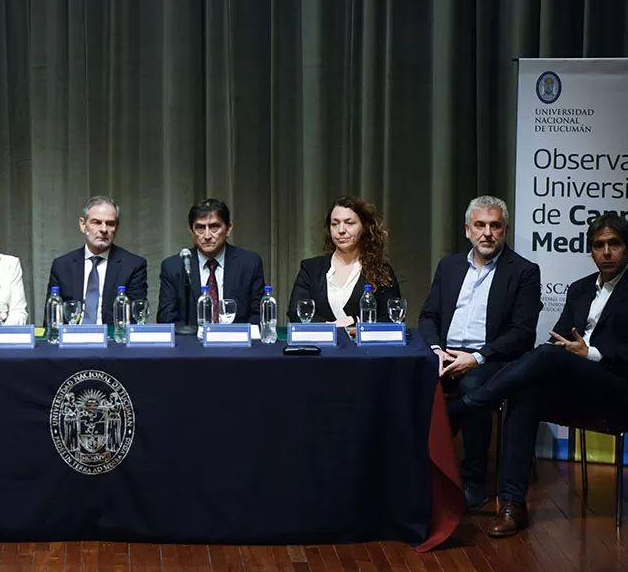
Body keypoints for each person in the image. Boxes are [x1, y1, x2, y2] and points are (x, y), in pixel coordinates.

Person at [449, 214, 628, 538]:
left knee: (544, 356)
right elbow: (558, 339)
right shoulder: (581, 289)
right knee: (526, 390)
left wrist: (593, 354)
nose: (607, 252)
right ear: (591, 251)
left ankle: (469, 405)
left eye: (614, 244)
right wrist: (568, 355)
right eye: (599, 245)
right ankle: (513, 505)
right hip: (584, 390)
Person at [418, 195, 541, 510]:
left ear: (505, 230)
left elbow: (522, 333)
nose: (487, 232)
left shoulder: (524, 271)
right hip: (445, 355)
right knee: (410, 378)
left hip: (490, 360)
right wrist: (436, 350)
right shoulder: (449, 266)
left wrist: (476, 358)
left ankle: (473, 478)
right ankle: (418, 473)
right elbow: (429, 316)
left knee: (474, 386)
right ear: (467, 230)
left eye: (495, 225)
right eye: (480, 225)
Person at [286, 196, 401, 326]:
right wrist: (330, 327)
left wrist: (356, 322)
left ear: (364, 227)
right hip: (319, 345)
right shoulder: (311, 268)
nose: (341, 230)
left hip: (365, 346)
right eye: (335, 224)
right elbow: (295, 312)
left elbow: (391, 320)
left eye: (349, 223)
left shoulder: (381, 271)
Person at [157, 198, 266, 325]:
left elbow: (258, 315)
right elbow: (166, 318)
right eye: (200, 228)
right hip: (190, 342)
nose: (207, 236)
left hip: (237, 342)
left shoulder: (249, 263)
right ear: (191, 232)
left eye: (214, 227)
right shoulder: (174, 266)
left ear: (228, 229)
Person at [46, 196, 148, 324]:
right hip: (71, 340)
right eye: (96, 222)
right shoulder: (62, 265)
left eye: (110, 224)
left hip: (113, 339)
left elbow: (135, 318)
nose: (104, 230)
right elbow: (51, 319)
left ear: (116, 228)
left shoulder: (133, 265)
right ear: (83, 225)